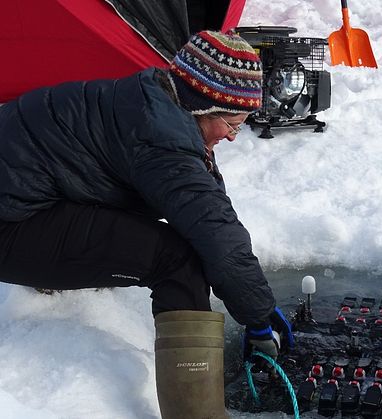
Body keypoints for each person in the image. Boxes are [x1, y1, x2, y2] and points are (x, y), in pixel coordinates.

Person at [0, 30, 291, 418]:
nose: (234, 137)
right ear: (204, 105)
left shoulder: (154, 102)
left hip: (22, 196)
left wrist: (252, 301)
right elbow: (214, 236)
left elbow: (205, 204)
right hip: (10, 224)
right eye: (233, 124)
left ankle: (53, 271)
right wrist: (257, 316)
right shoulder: (162, 141)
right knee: (177, 261)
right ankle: (196, 413)